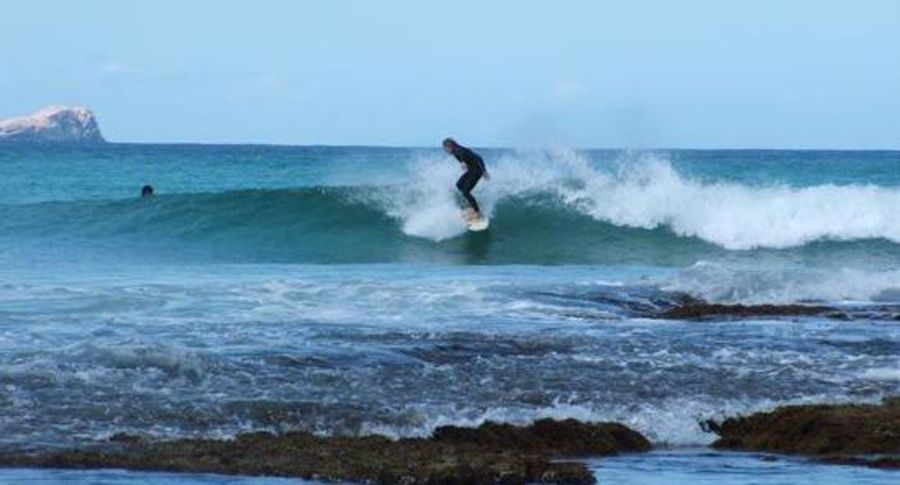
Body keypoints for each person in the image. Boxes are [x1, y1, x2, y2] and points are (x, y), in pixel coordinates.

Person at [443, 137, 489, 217]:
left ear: (450, 146)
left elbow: (477, 158)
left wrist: (484, 171)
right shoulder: (457, 151)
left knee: (465, 192)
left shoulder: (459, 150)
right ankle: (470, 201)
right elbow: (477, 157)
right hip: (471, 170)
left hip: (477, 171)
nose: (445, 150)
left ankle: (478, 212)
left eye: (445, 148)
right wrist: (463, 162)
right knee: (459, 185)